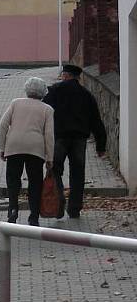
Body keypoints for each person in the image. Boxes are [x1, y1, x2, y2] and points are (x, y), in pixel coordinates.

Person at [43, 63, 106, 219]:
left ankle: (59, 202)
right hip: (79, 139)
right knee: (78, 173)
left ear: (65, 76)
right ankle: (74, 208)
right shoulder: (86, 95)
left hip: (59, 137)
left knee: (55, 169)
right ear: (78, 77)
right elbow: (96, 121)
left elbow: (43, 112)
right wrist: (100, 145)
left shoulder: (54, 91)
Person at [0, 77, 54, 226]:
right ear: (43, 92)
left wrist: (2, 147)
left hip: (14, 146)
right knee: (35, 182)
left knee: (13, 180)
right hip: (35, 149)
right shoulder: (47, 109)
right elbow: (49, 135)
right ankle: (34, 216)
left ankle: (13, 209)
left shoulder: (15, 103)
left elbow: (3, 125)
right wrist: (50, 157)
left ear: (27, 89)